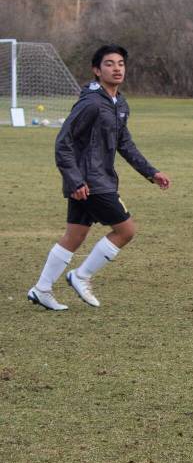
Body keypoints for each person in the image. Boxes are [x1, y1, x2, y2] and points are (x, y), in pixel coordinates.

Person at [27, 44, 171, 311]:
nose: (117, 68)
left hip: (94, 180)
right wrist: (74, 180)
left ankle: (42, 289)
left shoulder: (120, 103)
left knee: (74, 236)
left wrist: (151, 172)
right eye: (109, 64)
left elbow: (124, 144)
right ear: (96, 70)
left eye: (120, 63)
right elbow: (63, 142)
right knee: (126, 230)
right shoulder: (91, 103)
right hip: (91, 183)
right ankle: (81, 276)